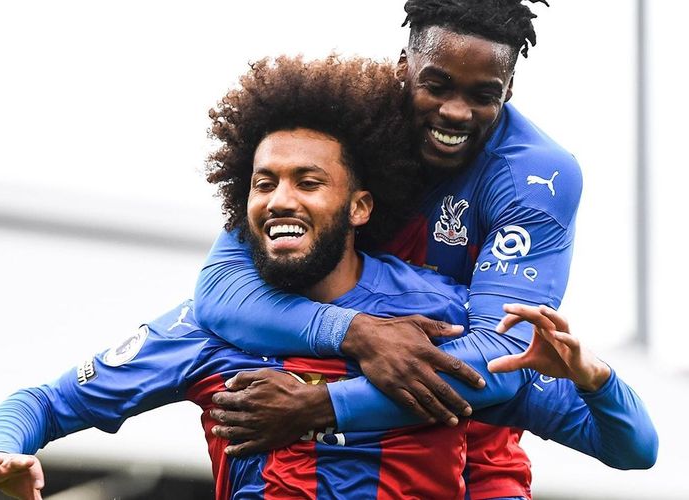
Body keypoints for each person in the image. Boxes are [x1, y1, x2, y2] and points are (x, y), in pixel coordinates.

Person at [0, 55, 656, 500]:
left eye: (308, 181)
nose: (281, 199)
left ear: (360, 206)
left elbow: (631, 448)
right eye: (264, 183)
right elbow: (41, 403)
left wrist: (596, 379)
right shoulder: (208, 325)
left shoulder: (443, 322)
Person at [194, 1, 579, 497]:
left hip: (473, 446)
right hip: (316, 441)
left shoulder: (536, 176)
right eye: (436, 86)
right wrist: (357, 333)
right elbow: (220, 291)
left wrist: (323, 405)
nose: (455, 111)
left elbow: (504, 358)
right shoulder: (345, 135)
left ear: (508, 89)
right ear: (404, 67)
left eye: (483, 95)